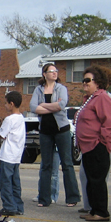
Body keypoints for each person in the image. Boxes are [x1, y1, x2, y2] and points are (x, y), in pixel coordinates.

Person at [29, 63, 80, 208]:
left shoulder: (61, 88)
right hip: (45, 131)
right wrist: (52, 107)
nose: (54, 73)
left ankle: (72, 197)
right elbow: (33, 107)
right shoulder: (38, 90)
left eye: (55, 71)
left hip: (61, 130)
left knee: (67, 163)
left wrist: (43, 105)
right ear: (44, 74)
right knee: (46, 165)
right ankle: (44, 199)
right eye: (51, 71)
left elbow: (61, 105)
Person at [75, 65, 111, 222]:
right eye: (83, 80)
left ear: (97, 82)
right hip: (86, 147)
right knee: (90, 179)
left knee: (97, 180)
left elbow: (109, 122)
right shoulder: (90, 99)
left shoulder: (102, 98)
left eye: (88, 80)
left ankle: (101, 212)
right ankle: (93, 210)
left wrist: (103, 143)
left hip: (97, 146)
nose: (84, 83)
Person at [0, 91, 26, 216]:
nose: (5, 105)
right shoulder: (21, 118)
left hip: (7, 155)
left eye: (6, 103)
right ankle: (18, 206)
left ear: (11, 104)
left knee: (5, 182)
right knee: (15, 182)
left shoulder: (9, 119)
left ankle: (9, 206)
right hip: (16, 155)